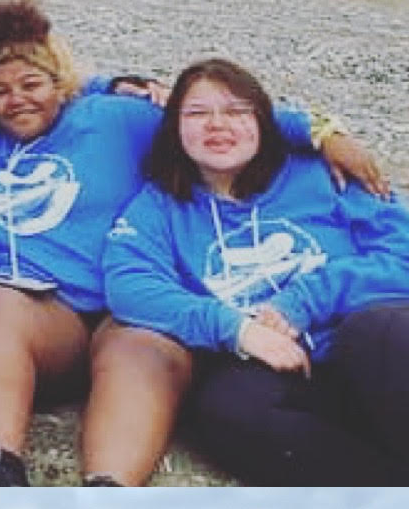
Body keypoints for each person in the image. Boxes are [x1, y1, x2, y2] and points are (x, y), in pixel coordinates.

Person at [0, 1, 329, 487]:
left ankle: (107, 489)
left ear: (62, 84)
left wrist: (320, 133)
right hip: (46, 323)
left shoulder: (115, 119)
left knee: (136, 344)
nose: (17, 100)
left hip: (133, 309)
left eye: (32, 84)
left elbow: (216, 122)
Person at [104, 57, 409, 483]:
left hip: (364, 342)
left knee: (381, 332)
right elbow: (130, 283)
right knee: (227, 410)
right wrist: (236, 329)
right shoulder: (160, 205)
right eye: (197, 113)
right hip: (274, 363)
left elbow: (401, 253)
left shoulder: (324, 172)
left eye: (236, 111)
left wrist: (305, 300)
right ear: (174, 128)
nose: (217, 125)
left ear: (263, 120)